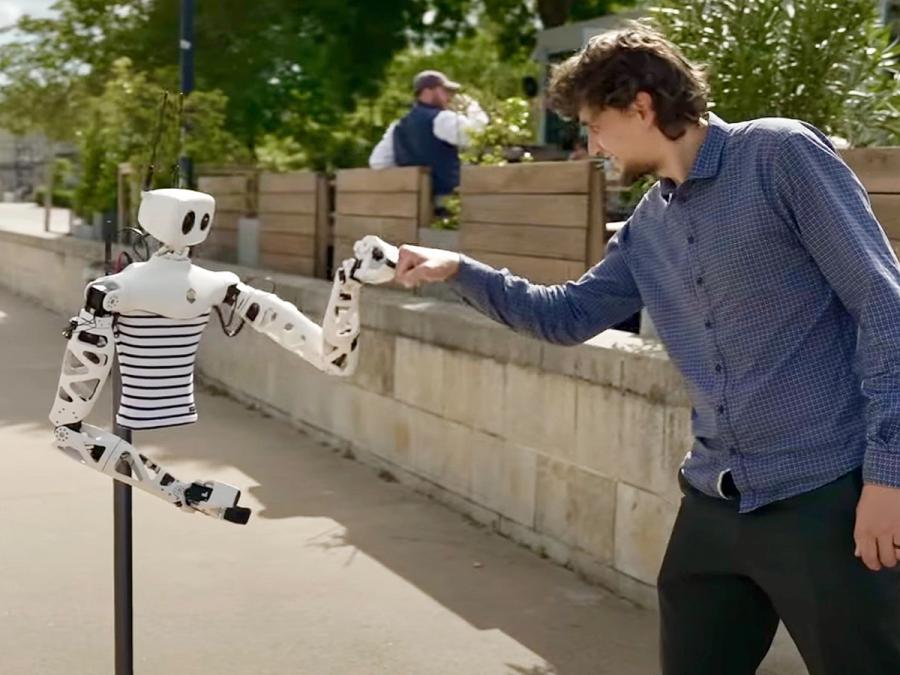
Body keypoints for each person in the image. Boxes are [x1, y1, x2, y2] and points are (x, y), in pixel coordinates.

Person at [390, 24, 900, 675]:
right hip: (714, 502)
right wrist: (455, 269)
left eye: (595, 125)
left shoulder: (778, 155)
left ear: (641, 106)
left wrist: (889, 474)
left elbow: (884, 307)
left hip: (823, 495)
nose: (591, 144)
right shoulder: (648, 227)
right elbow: (567, 315)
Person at [369, 69, 488, 205]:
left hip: (412, 207)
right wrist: (474, 108)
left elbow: (378, 162)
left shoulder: (397, 126)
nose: (449, 97)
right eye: (444, 91)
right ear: (428, 91)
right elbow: (476, 136)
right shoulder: (442, 118)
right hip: (447, 202)